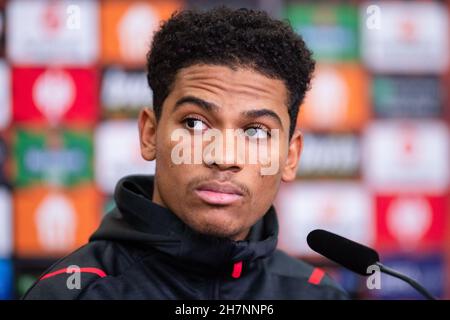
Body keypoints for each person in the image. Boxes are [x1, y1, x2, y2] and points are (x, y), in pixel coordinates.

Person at [23, 7, 348, 300]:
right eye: (195, 123)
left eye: (255, 132)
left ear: (290, 157)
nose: (223, 156)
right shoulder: (72, 293)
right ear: (150, 133)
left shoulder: (319, 294)